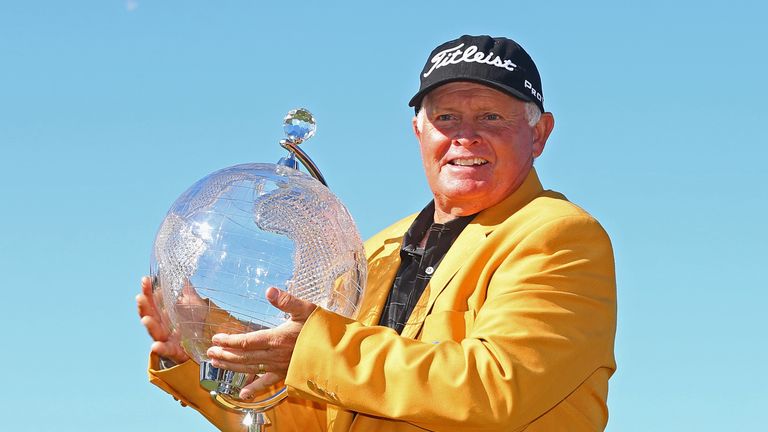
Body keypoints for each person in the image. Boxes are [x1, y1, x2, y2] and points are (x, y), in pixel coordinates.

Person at [137, 34, 617, 431]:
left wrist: (315, 349)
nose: (465, 136)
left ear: (539, 134)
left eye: (491, 117)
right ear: (418, 131)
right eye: (446, 117)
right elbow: (313, 420)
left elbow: (493, 388)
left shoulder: (561, 237)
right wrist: (202, 354)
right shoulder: (375, 252)